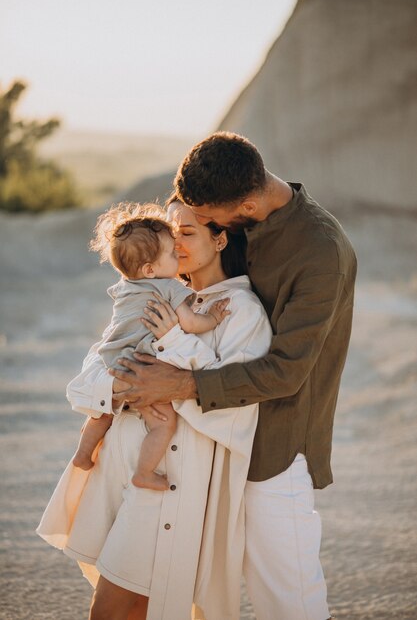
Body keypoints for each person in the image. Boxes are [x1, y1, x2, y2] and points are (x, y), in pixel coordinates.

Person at [109, 131, 358, 620]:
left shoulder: (320, 253)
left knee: (288, 603)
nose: (200, 228)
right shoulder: (236, 219)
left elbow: (287, 372)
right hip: (210, 446)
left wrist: (179, 383)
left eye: (209, 221)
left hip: (273, 451)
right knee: (201, 596)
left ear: (245, 205)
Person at [37, 196, 272, 620]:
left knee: (112, 608)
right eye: (171, 233)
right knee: (123, 608)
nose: (176, 244)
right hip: (119, 472)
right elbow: (84, 385)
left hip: (165, 485)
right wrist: (126, 389)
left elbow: (235, 409)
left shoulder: (241, 311)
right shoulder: (146, 295)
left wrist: (174, 343)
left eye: (188, 233)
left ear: (220, 239)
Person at [72, 201, 229, 491]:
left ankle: (82, 454)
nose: (177, 253)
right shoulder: (168, 287)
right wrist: (214, 317)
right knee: (163, 424)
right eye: (170, 253)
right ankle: (143, 473)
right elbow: (191, 323)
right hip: (141, 365)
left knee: (103, 412)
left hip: (113, 362)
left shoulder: (125, 287)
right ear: (149, 269)